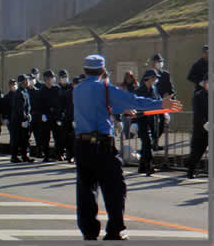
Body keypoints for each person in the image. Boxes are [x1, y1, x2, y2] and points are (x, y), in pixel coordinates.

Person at [73, 54, 181, 241]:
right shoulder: (104, 88)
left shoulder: (77, 89)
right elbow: (134, 100)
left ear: (85, 70)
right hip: (102, 146)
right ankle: (115, 229)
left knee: (86, 190)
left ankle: (89, 231)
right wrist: (161, 104)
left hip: (82, 145)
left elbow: (97, 108)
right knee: (115, 188)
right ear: (103, 70)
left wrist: (117, 110)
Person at [134, 69, 162, 175]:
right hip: (142, 120)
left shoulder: (154, 89)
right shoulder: (140, 91)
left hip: (152, 120)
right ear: (149, 78)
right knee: (147, 143)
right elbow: (137, 105)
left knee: (146, 144)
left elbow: (158, 101)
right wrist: (134, 122)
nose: (155, 80)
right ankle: (149, 166)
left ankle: (141, 167)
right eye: (154, 78)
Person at [38, 70, 63, 162]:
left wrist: (60, 116)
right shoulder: (41, 91)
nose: (52, 79)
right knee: (45, 137)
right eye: (50, 78)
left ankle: (59, 154)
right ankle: (46, 155)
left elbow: (61, 103)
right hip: (46, 117)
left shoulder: (57, 89)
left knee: (58, 137)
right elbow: (39, 105)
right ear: (46, 79)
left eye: (53, 77)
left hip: (56, 117)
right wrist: (42, 115)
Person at [186, 74, 208, 179]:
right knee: (197, 151)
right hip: (200, 128)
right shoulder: (198, 95)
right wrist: (205, 123)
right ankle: (190, 170)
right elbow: (198, 112)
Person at [10, 74, 34, 163]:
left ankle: (25, 155)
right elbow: (19, 108)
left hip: (25, 118)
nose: (28, 82)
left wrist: (28, 114)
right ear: (22, 83)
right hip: (18, 120)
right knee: (17, 138)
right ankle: (14, 156)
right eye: (26, 81)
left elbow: (27, 106)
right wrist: (23, 119)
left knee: (25, 138)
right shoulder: (18, 93)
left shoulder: (25, 91)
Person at [27, 73, 43, 158]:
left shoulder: (38, 91)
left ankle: (39, 152)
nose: (32, 81)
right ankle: (27, 152)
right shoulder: (25, 92)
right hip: (28, 117)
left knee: (39, 136)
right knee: (26, 135)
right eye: (30, 79)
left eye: (33, 79)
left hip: (37, 116)